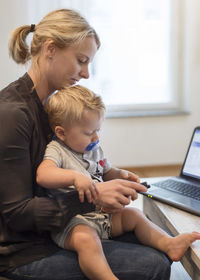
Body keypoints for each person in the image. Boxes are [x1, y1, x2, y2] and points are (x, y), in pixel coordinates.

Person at [0, 8, 172, 280]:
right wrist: (94, 196)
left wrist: (109, 176)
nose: (86, 74)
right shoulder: (12, 114)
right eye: (81, 61)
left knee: (155, 241)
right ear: (51, 50)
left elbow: (73, 166)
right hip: (25, 250)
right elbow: (17, 213)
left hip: (58, 228)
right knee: (153, 265)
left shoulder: (52, 106)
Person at [36, 85, 200, 280]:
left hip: (101, 216)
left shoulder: (94, 148)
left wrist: (120, 174)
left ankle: (169, 244)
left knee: (134, 215)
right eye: (89, 132)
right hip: (72, 222)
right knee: (87, 240)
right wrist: (74, 177)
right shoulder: (57, 149)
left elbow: (107, 172)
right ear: (62, 133)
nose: (96, 137)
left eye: (98, 130)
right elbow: (43, 174)